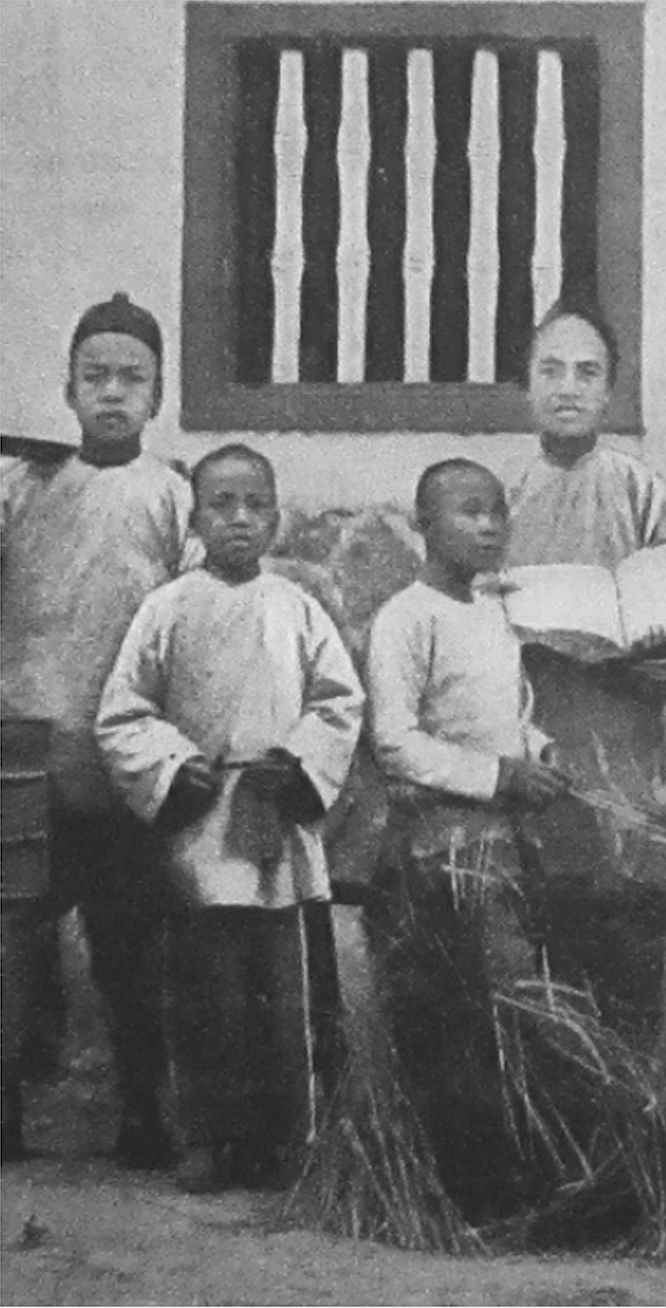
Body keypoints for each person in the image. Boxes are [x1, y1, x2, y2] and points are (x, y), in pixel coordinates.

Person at [94, 445, 363, 1193]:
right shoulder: (168, 606)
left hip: (275, 819)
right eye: (222, 504)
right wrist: (175, 766)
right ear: (195, 517)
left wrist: (301, 760)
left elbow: (340, 703)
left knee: (282, 993)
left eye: (254, 504)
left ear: (276, 517)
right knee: (204, 992)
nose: (239, 519)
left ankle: (285, 1139)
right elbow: (124, 712)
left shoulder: (297, 607)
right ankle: (209, 1137)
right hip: (202, 826)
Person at [0, 292, 197, 1168]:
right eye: (96, 376)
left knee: (131, 941)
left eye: (133, 378)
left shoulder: (177, 497)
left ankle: (143, 1110)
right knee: (14, 930)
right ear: (69, 388)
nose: (113, 393)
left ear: (157, 395)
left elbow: (190, 620)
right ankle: (5, 1106)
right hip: (26, 740)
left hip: (124, 750)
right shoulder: (23, 487)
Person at [363, 458, 575, 1217]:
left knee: (514, 1001)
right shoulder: (406, 617)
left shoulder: (492, 613)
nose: (488, 526)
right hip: (439, 848)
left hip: (499, 840)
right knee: (462, 1013)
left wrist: (538, 753)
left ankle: (521, 1167)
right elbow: (394, 741)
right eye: (467, 512)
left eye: (496, 512)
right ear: (425, 525)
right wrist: (495, 776)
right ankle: (470, 1184)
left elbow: (508, 714)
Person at [504, 302, 666, 809]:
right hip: (533, 699)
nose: (567, 388)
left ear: (609, 390)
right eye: (550, 371)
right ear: (527, 386)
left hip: (624, 703)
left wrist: (664, 640)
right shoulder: (506, 495)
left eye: (587, 373)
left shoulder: (640, 489)